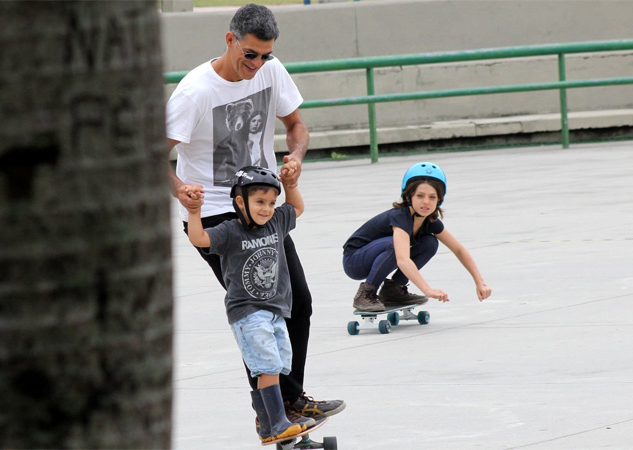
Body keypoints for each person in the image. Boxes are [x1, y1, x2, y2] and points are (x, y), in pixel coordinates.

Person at [165, 3, 344, 426]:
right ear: (230, 41)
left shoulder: (271, 70)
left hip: (261, 208)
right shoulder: (195, 92)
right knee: (256, 314)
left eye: (266, 56)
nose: (258, 64)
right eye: (251, 54)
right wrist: (181, 191)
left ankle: (291, 401)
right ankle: (271, 415)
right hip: (214, 215)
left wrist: (295, 156)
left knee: (297, 301)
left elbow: (296, 125)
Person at [186, 166, 303, 442]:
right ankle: (278, 423)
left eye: (272, 202)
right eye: (260, 202)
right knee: (267, 366)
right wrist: (194, 212)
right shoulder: (230, 232)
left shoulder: (276, 223)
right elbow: (199, 238)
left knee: (277, 363)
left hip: (275, 310)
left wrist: (291, 184)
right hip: (247, 311)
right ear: (241, 202)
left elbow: (296, 207)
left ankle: (266, 424)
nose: (267, 209)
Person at [343, 162, 492, 311]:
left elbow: (458, 249)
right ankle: (366, 293)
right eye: (420, 196)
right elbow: (402, 259)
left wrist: (480, 282)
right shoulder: (400, 217)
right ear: (408, 196)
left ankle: (394, 290)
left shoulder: (430, 220)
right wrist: (427, 289)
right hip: (355, 261)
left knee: (430, 242)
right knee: (395, 245)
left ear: (439, 200)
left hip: (381, 256)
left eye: (432, 197)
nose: (426, 202)